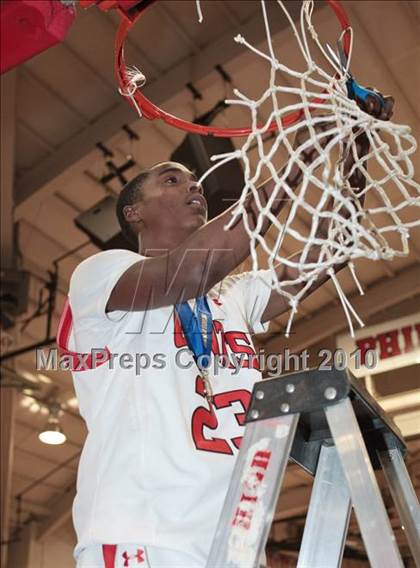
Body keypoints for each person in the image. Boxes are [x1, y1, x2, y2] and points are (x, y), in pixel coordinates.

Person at [57, 95, 393, 568]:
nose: (193, 186)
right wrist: (300, 153)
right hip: (145, 532)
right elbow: (189, 273)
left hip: (236, 540)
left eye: (195, 181)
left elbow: (334, 246)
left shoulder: (232, 295)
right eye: (171, 180)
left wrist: (354, 140)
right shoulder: (103, 275)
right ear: (133, 213)